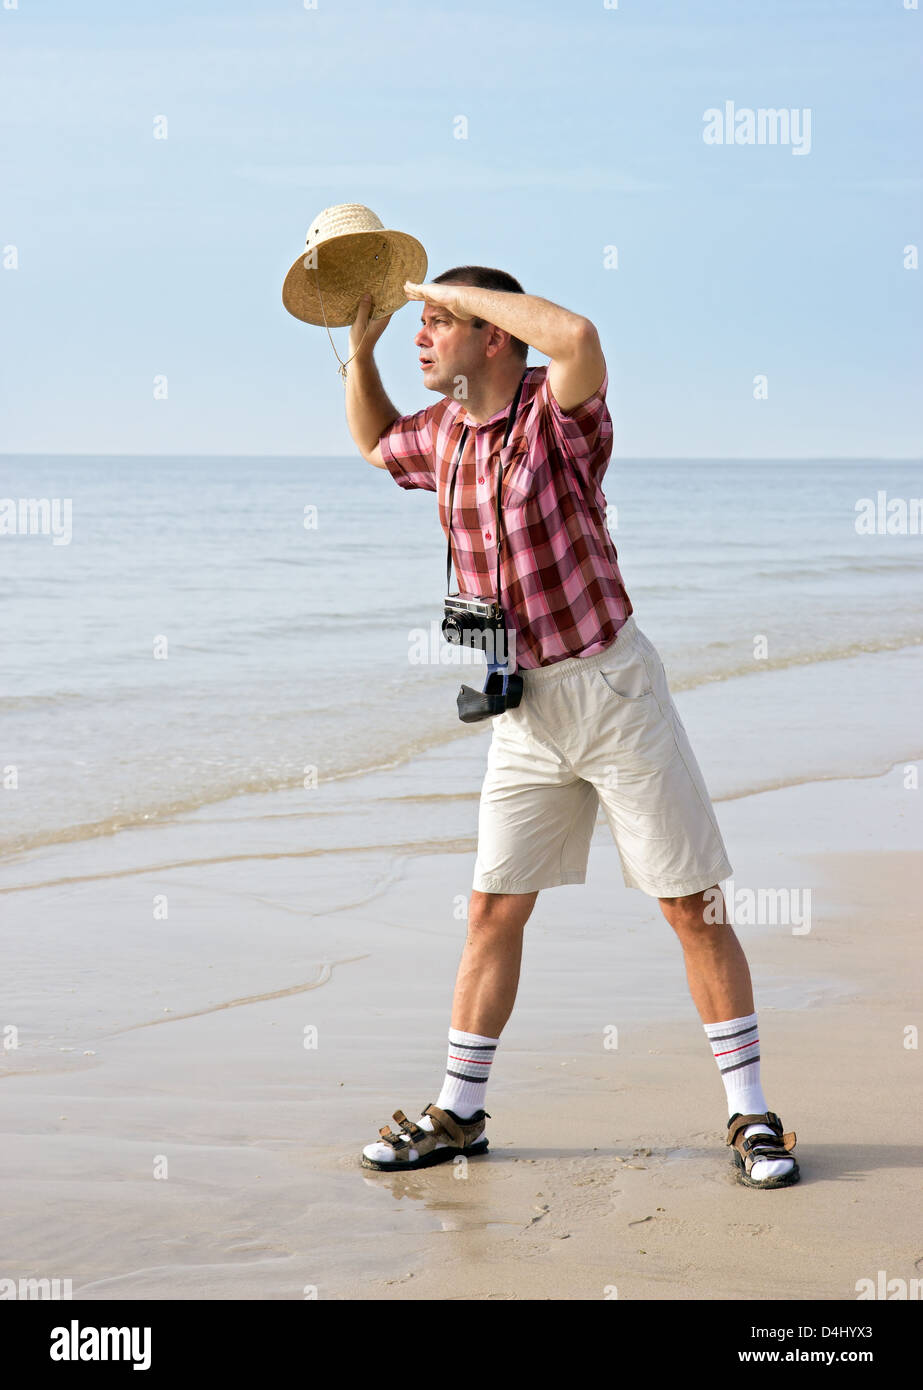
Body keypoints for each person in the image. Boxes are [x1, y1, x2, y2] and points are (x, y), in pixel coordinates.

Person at [342, 267, 799, 1190]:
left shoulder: (556, 418)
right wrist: (358, 349)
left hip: (612, 692)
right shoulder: (443, 435)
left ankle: (751, 1115)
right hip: (524, 709)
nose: (420, 338)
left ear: (495, 338)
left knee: (690, 906)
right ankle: (459, 1115)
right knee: (492, 907)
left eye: (438, 325)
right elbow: (375, 444)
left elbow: (578, 335)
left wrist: (441, 281)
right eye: (417, 326)